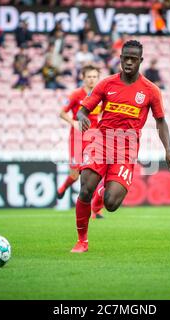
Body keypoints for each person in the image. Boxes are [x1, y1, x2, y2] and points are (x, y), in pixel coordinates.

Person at [70, 40, 170, 253]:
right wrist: (82, 117)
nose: (128, 62)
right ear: (120, 59)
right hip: (101, 141)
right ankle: (82, 240)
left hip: (126, 150)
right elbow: (84, 109)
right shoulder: (106, 84)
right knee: (84, 190)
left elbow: (160, 121)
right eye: (125, 58)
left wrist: (169, 150)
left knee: (111, 203)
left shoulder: (150, 90)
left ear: (140, 61)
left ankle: (102, 193)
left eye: (133, 59)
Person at [57, 65, 104, 219]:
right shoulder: (76, 94)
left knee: (94, 174)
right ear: (83, 78)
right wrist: (74, 122)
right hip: (77, 139)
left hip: (94, 139)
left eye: (94, 77)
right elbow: (62, 113)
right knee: (76, 174)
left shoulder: (101, 95)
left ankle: (95, 211)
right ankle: (63, 188)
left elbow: (102, 113)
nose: (92, 79)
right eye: (89, 76)